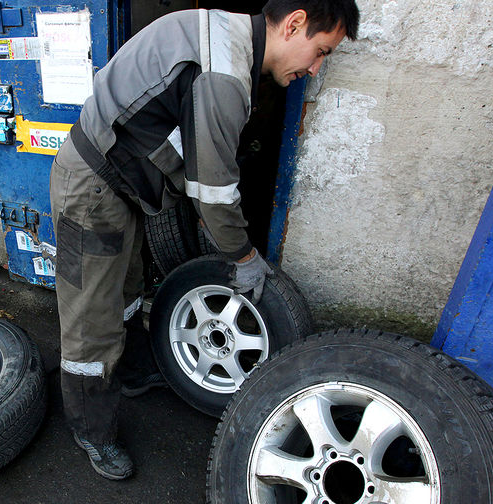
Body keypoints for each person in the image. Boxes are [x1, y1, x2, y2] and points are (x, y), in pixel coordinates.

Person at [49, 0, 360, 480]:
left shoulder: (223, 35)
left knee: (127, 291)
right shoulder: (226, 73)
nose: (315, 69)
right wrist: (243, 254)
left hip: (123, 184)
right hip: (93, 185)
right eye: (320, 52)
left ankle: (128, 373)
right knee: (91, 318)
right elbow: (213, 192)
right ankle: (92, 431)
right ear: (294, 23)